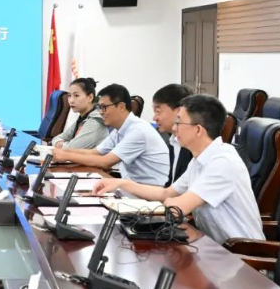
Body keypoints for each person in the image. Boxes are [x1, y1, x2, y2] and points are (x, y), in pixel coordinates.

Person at [93, 95, 264, 244]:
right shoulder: (200, 158)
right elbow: (166, 194)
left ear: (198, 129)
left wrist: (169, 203)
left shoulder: (223, 162)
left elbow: (177, 208)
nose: (174, 128)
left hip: (242, 255)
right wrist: (120, 183)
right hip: (212, 246)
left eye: (178, 122)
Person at [52, 84, 169, 186]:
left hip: (150, 193)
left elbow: (105, 162)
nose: (100, 112)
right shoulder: (119, 130)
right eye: (99, 107)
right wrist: (62, 152)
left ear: (121, 107)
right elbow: (94, 152)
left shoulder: (138, 131)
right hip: (132, 188)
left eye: (104, 107)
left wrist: (67, 155)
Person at [152, 84, 194, 186]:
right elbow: (171, 186)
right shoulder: (173, 141)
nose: (154, 118)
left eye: (158, 112)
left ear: (179, 111)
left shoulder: (193, 146)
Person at [51, 77, 108, 149]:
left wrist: (61, 145)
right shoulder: (83, 118)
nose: (71, 100)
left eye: (76, 95)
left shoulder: (96, 121)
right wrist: (60, 143)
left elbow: (71, 149)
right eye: (69, 96)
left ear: (90, 97)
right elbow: (57, 138)